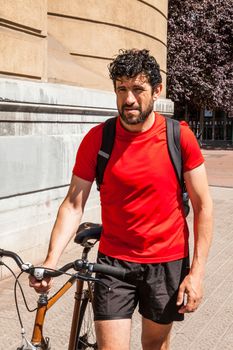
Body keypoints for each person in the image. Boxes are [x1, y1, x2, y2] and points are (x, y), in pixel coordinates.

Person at [29, 49, 213, 350]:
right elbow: (74, 204)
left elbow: (204, 206)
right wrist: (51, 259)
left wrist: (197, 273)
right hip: (114, 263)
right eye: (121, 89)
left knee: (154, 344)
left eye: (138, 89)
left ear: (156, 90)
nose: (128, 99)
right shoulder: (98, 139)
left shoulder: (179, 137)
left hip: (166, 261)